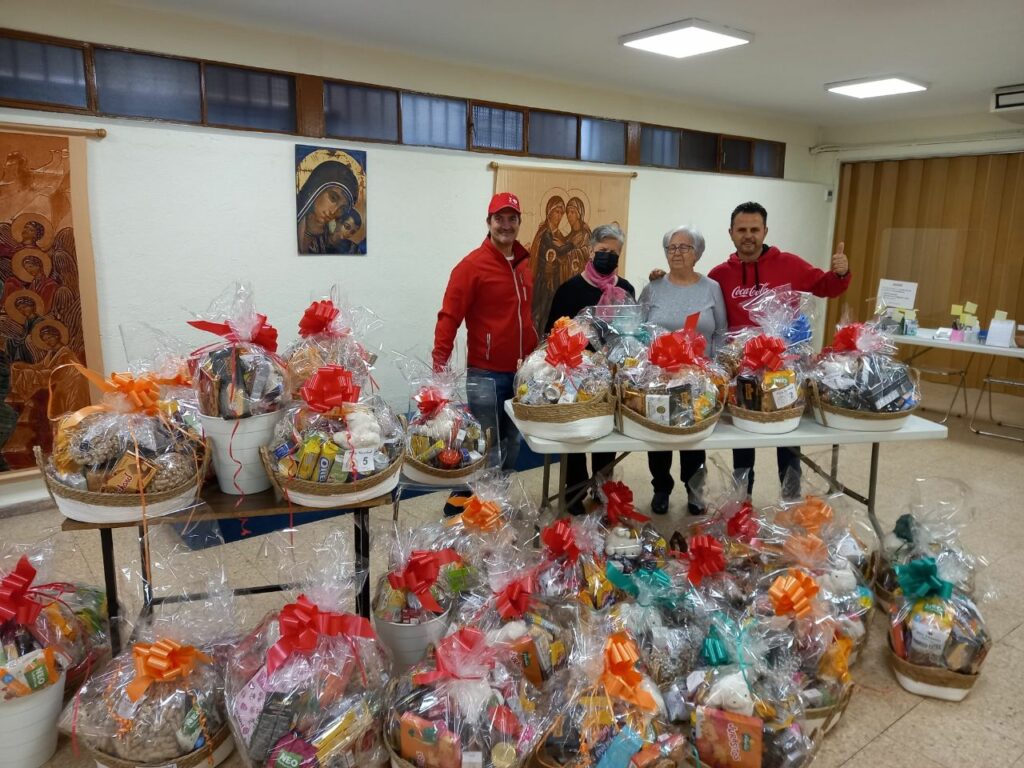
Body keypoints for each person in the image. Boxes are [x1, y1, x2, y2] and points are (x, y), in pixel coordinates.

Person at [710, 201, 851, 498]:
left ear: (765, 231)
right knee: (743, 437)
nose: (748, 235)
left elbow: (827, 287)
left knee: (787, 436)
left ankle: (791, 498)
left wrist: (840, 273)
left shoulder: (789, 264)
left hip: (784, 369)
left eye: (754, 229)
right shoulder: (720, 274)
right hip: (743, 370)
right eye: (742, 230)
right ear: (731, 233)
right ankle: (741, 500)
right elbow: (697, 294)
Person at [433, 192, 538, 471]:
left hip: (521, 374)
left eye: (512, 219)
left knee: (514, 442)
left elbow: (525, 316)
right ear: (488, 222)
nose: (506, 225)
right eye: (499, 219)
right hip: (485, 376)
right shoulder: (471, 267)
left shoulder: (524, 265)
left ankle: (496, 502)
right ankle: (483, 508)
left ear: (519, 222)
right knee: (487, 447)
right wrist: (438, 366)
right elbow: (448, 317)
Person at [544, 223, 635, 514]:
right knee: (576, 435)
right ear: (591, 250)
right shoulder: (570, 289)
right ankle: (573, 492)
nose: (607, 256)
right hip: (574, 377)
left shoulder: (625, 290)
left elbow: (633, 333)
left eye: (614, 252)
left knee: (605, 436)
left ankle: (603, 489)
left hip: (610, 374)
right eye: (602, 251)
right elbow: (551, 334)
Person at [639, 225, 727, 515]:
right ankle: (661, 488)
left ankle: (694, 490)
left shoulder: (711, 288)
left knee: (694, 436)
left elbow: (721, 332)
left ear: (697, 253)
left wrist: (713, 367)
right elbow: (640, 331)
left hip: (698, 376)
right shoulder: (652, 288)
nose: (676, 253)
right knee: (660, 432)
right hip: (660, 377)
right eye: (671, 247)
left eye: (684, 247)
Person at [296, 160, 359, 254]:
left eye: (342, 208)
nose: (334, 211)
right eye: (333, 198)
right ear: (315, 189)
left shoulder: (329, 243)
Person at [529, 195, 569, 332]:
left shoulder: (559, 235)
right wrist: (571, 245)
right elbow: (558, 250)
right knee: (540, 314)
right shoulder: (545, 233)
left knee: (552, 316)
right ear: (549, 212)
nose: (559, 216)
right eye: (556, 212)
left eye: (561, 213)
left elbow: (563, 258)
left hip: (555, 282)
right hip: (542, 281)